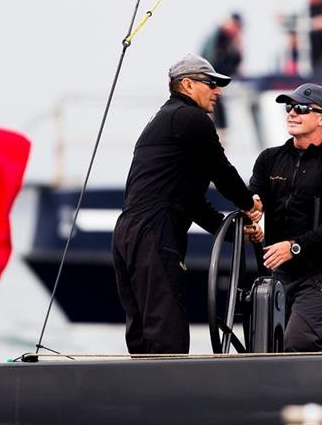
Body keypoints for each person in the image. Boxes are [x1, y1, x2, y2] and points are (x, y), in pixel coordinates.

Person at [112, 53, 261, 354]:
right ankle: (170, 395)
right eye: (211, 84)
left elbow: (191, 201)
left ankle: (143, 394)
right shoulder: (191, 119)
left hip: (128, 232)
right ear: (188, 85)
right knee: (167, 329)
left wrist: (229, 231)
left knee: (142, 330)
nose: (218, 91)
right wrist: (250, 203)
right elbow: (221, 170)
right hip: (154, 231)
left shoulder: (164, 121)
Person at [249, 83, 322, 351]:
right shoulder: (269, 159)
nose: (291, 113)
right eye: (289, 107)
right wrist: (250, 220)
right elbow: (254, 203)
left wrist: (295, 247)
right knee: (264, 347)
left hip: (319, 275)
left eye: (300, 108)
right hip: (276, 274)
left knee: (297, 343)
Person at [201, 13, 243, 133]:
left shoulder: (230, 40)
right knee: (215, 100)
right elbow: (211, 62)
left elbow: (235, 62)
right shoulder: (217, 37)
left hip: (220, 77)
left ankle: (222, 129)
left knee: (217, 100)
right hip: (213, 76)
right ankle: (221, 129)